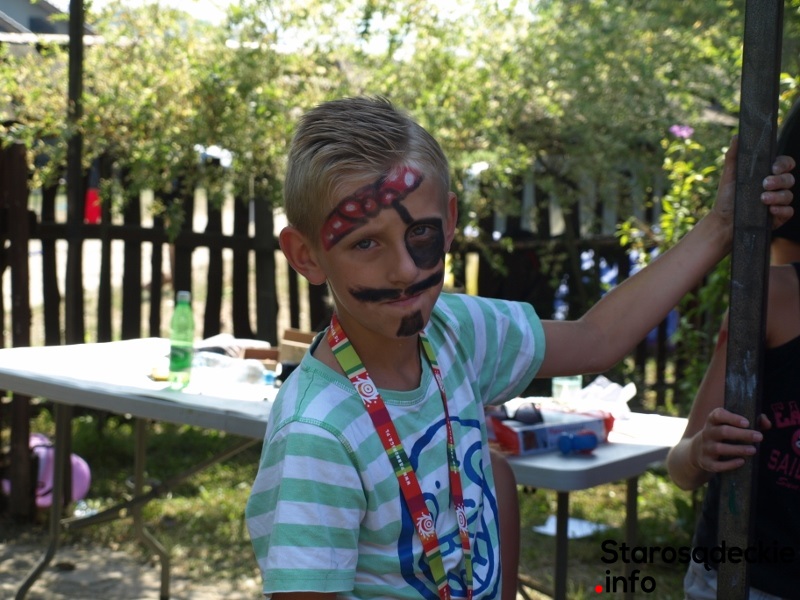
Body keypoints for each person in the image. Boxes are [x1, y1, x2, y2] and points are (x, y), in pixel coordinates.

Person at [245, 96, 794, 599]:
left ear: (450, 221)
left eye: (421, 234)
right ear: (306, 255)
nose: (405, 269)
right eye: (365, 242)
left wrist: (722, 226)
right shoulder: (315, 434)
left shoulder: (453, 332)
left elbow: (595, 339)